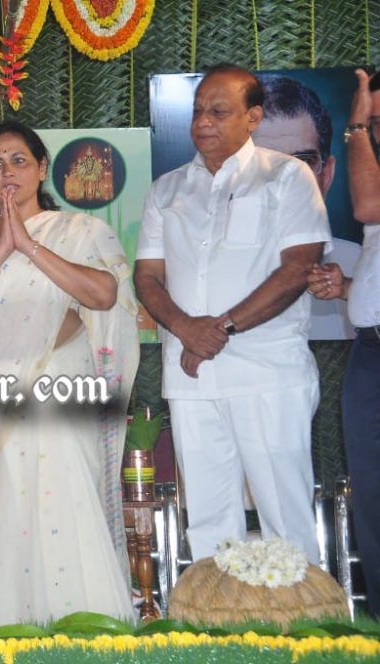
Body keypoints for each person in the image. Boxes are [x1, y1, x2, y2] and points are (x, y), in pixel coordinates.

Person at [0, 120, 138, 624]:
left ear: (42, 169)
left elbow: (104, 294)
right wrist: (1, 249)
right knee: (6, 512)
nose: (7, 172)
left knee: (65, 507)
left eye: (19, 161)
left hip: (58, 388)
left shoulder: (79, 230)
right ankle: (8, 631)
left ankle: (86, 628)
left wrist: (30, 247)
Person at [135, 65, 331, 563]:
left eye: (219, 112)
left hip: (268, 372)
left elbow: (298, 268)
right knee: (207, 521)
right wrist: (186, 329)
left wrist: (219, 329)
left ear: (254, 117)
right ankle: (216, 613)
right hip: (192, 377)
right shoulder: (167, 189)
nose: (203, 122)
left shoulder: (287, 176)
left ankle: (301, 613)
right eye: (198, 111)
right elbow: (147, 277)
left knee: (284, 517)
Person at [307, 68, 380, 618]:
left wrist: (353, 125)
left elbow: (367, 208)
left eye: (374, 122)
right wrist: (352, 289)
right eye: (372, 124)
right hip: (369, 352)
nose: (373, 131)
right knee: (372, 497)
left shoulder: (368, 174)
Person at [253, 73, 359, 340]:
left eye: (302, 162)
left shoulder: (359, 266)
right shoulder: (197, 270)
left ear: (327, 175)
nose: (286, 180)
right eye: (265, 163)